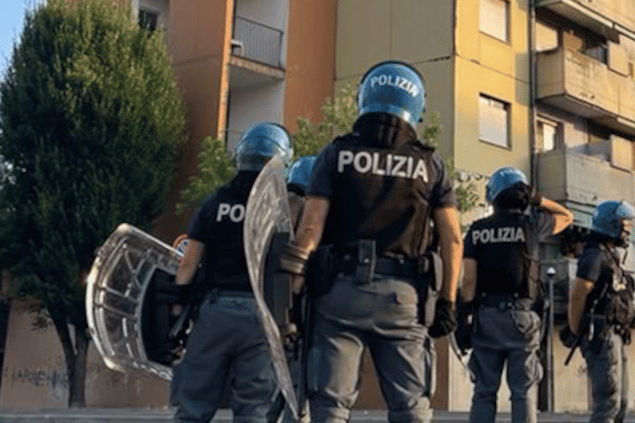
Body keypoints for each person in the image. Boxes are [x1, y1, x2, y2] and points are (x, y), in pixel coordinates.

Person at [283, 61, 462, 423]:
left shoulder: (334, 155)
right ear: (416, 106)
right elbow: (453, 239)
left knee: (329, 408)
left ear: (365, 98)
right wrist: (448, 302)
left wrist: (292, 294)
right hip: (404, 297)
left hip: (337, 295)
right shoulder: (431, 166)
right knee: (411, 409)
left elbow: (309, 229)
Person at [171, 123, 290, 423]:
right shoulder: (280, 208)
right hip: (262, 314)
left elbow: (188, 263)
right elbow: (285, 266)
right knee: (255, 408)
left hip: (215, 312)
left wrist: (176, 307)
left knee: (193, 406)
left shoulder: (215, 203)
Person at [460, 167, 573, 423]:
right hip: (522, 317)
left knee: (484, 392)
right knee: (522, 392)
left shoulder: (477, 230)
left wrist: (463, 317)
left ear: (493, 196)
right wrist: (538, 199)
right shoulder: (533, 225)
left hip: (486, 316)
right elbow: (567, 216)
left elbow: (468, 281)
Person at [559, 200, 635, 423]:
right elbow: (579, 292)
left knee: (619, 405)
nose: (628, 229)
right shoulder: (594, 254)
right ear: (611, 224)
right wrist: (575, 329)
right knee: (607, 405)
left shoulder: (609, 254)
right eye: (625, 224)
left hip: (615, 334)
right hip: (602, 336)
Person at [269, 155, 321, 423]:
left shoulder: (273, 210)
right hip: (300, 311)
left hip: (270, 307)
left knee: (270, 391)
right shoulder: (309, 211)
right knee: (297, 389)